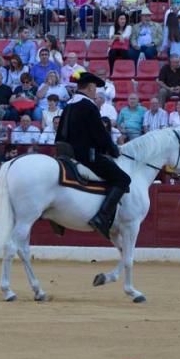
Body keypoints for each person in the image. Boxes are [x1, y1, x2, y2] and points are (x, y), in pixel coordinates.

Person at [55, 71, 131, 239]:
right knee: (123, 179)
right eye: (95, 89)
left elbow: (60, 134)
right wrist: (113, 150)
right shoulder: (89, 106)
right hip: (85, 157)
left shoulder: (68, 105)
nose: (96, 92)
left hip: (65, 154)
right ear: (90, 88)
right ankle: (102, 217)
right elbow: (100, 135)